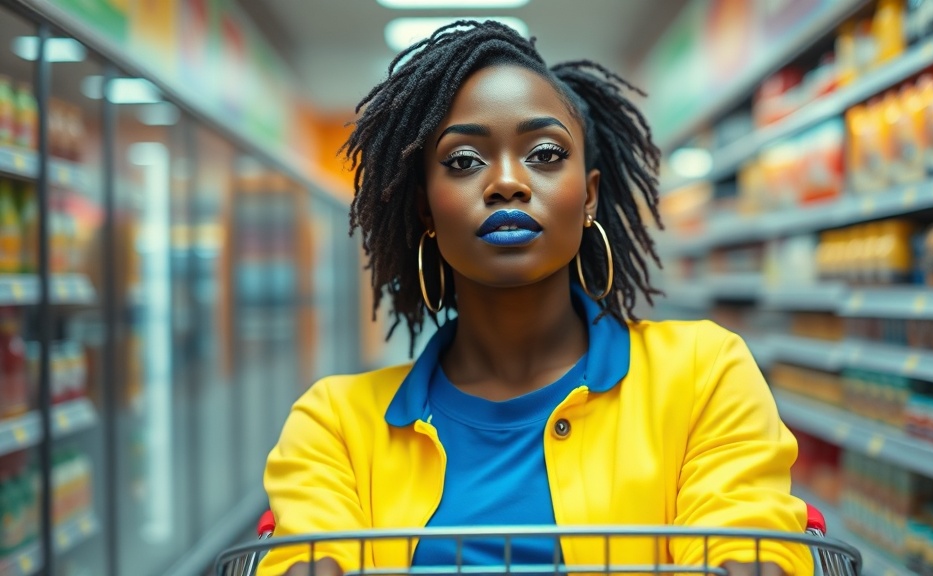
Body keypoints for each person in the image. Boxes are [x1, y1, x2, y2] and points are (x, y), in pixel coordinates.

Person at [258, 20, 814, 576]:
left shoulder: (703, 375)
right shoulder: (334, 422)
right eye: (463, 161)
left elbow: (745, 540)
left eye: (545, 153)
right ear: (426, 209)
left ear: (589, 195)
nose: (506, 182)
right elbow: (312, 553)